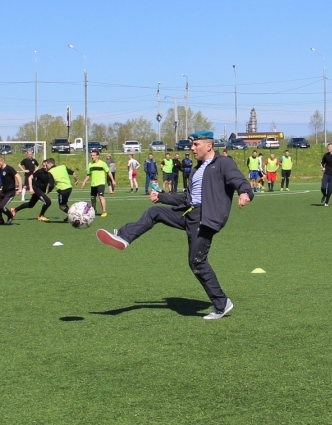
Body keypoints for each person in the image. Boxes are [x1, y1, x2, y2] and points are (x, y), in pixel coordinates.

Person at [96, 131, 253, 320]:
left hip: (205, 218)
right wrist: (161, 196)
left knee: (197, 262)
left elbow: (239, 180)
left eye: (195, 144)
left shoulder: (223, 163)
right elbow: (187, 198)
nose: (192, 148)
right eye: (192, 145)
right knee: (154, 212)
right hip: (190, 213)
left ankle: (222, 303)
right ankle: (123, 237)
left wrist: (245, 193)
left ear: (208, 146)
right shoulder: (196, 170)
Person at [81, 149, 113, 217]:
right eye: (91, 155)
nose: (92, 157)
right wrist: (84, 182)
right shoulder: (90, 164)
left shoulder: (102, 163)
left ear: (97, 156)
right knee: (93, 198)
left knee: (101, 196)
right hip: (93, 184)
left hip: (101, 183)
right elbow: (88, 175)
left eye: (93, 155)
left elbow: (108, 172)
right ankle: (94, 210)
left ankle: (104, 211)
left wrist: (113, 180)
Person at [0, 155, 21, 225]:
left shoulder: (9, 169)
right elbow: (2, 181)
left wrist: (20, 188)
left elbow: (18, 177)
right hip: (3, 191)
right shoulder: (0, 169)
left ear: (1, 161)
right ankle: (0, 220)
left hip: (10, 192)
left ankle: (10, 216)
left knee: (1, 207)